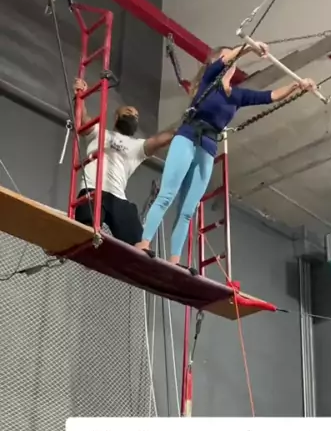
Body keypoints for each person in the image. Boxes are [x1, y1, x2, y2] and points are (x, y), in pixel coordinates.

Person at [135, 42, 316, 265]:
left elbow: (270, 96)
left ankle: (174, 260)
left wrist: (297, 85)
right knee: (167, 194)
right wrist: (248, 48)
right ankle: (144, 241)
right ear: (216, 63)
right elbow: (227, 59)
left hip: (208, 148)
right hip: (188, 137)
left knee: (188, 209)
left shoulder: (237, 96)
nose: (231, 62)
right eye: (228, 58)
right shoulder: (209, 80)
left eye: (234, 60)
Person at [73, 78, 174, 246]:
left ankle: (140, 254)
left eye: (136, 116)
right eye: (128, 112)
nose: (132, 115)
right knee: (86, 230)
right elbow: (83, 120)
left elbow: (159, 140)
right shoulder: (99, 132)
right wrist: (80, 95)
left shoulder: (138, 146)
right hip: (92, 189)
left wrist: (183, 128)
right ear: (116, 116)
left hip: (117, 196)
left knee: (138, 243)